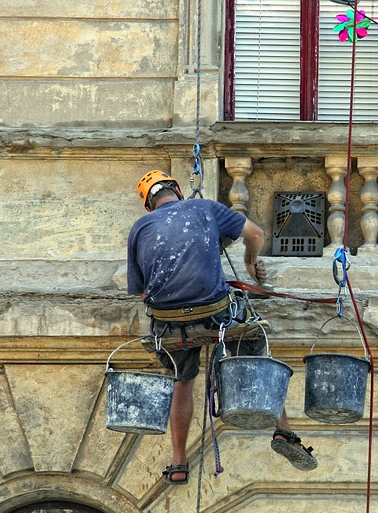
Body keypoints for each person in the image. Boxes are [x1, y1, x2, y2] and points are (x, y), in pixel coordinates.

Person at [128, 170, 317, 483]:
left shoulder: (139, 228)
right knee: (252, 341)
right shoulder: (204, 208)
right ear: (177, 189)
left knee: (182, 379)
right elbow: (255, 235)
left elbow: (143, 292)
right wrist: (249, 262)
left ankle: (178, 462)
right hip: (214, 311)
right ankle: (283, 430)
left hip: (168, 321)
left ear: (149, 205)